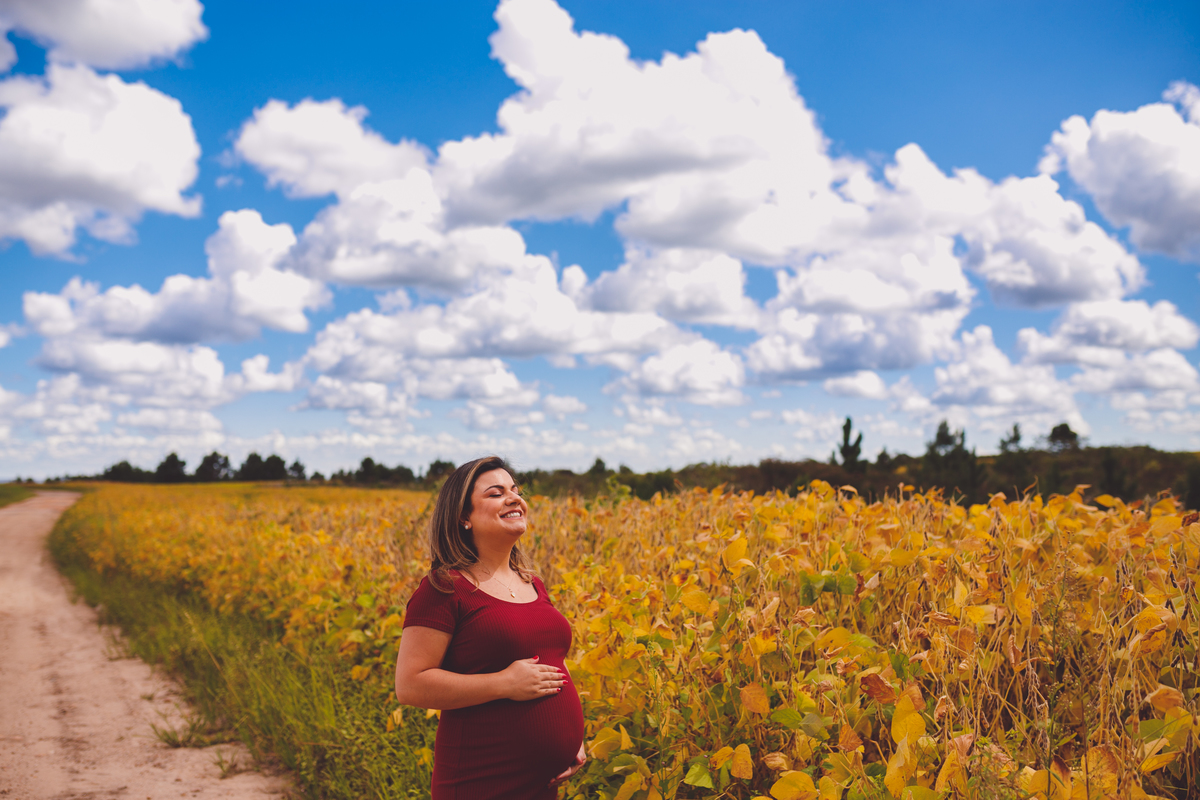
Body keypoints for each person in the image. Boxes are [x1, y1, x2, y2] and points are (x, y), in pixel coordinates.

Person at [394, 456, 587, 799]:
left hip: (543, 784)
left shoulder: (533, 583)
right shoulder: (445, 588)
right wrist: (504, 683)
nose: (514, 498)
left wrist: (575, 738)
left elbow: (553, 661)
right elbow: (410, 685)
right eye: (496, 493)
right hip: (482, 780)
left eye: (516, 490)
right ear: (463, 517)